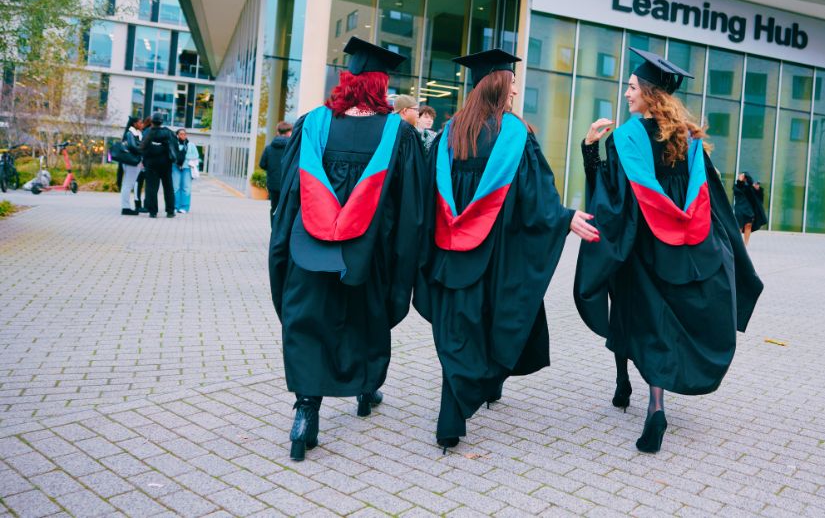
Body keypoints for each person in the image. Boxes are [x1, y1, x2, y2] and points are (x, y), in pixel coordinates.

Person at [574, 48, 764, 454]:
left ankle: (653, 406)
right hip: (688, 249)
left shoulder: (627, 137)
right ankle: (632, 390)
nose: (626, 94)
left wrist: (590, 147)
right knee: (665, 321)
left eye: (631, 87)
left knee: (643, 318)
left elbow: (610, 197)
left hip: (643, 245)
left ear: (648, 92)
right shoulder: (690, 138)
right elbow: (710, 200)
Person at [414, 49, 599, 453]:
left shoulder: (450, 134)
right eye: (513, 82)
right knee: (485, 323)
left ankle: (454, 410)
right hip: (495, 255)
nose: (516, 89)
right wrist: (562, 217)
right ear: (499, 85)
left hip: (449, 251)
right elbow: (536, 198)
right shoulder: (515, 135)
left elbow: (428, 196)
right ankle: (460, 404)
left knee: (455, 327)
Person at [268, 37, 426, 462]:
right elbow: (409, 209)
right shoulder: (400, 135)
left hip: (309, 247)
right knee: (360, 319)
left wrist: (282, 244)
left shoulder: (312, 123)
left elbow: (288, 198)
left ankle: (305, 414)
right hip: (367, 251)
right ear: (380, 85)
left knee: (310, 321)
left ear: (347, 80)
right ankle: (363, 388)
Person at [140, 113, 178, 218]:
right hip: (166, 164)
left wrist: (145, 161)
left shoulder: (147, 132)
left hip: (151, 164)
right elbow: (175, 147)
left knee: (151, 188)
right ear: (162, 121)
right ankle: (170, 211)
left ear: (152, 121)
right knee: (168, 187)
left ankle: (153, 212)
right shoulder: (168, 132)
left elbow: (143, 148)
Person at [259, 121, 293, 221]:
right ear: (288, 133)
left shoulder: (269, 148)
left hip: (273, 185)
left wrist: (272, 170)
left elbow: (262, 164)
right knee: (286, 210)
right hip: (287, 184)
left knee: (274, 208)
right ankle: (283, 234)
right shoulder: (292, 149)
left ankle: (274, 232)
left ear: (278, 132)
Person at [117, 116, 144, 216]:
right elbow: (133, 146)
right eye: (140, 123)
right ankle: (126, 208)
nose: (142, 125)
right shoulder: (131, 133)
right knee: (128, 185)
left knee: (127, 184)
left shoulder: (135, 134)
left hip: (131, 162)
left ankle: (126, 207)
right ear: (135, 124)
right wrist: (143, 148)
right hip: (131, 163)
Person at [733, 171, 767, 245]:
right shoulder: (737, 186)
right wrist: (739, 180)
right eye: (742, 177)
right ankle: (738, 244)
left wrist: (757, 189)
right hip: (740, 209)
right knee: (739, 227)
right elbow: (738, 189)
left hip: (749, 210)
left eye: (745, 178)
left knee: (748, 225)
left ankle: (745, 244)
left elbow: (759, 198)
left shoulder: (750, 187)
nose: (743, 179)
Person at [172, 129, 200, 214]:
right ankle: (175, 206)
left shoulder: (190, 145)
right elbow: (171, 154)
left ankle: (184, 207)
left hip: (187, 168)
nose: (183, 136)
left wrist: (183, 156)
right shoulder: (174, 144)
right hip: (175, 167)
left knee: (186, 188)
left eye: (184, 134)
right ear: (177, 135)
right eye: (181, 134)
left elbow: (195, 155)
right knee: (175, 187)